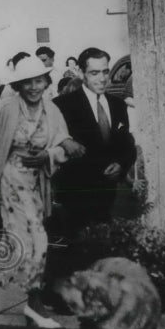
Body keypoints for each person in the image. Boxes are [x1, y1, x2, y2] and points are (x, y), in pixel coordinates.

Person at [0, 56, 81, 329]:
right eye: (28, 82)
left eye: (39, 81)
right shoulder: (5, 109)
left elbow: (60, 145)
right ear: (19, 85)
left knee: (19, 245)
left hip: (36, 183)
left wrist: (52, 153)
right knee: (34, 240)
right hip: (8, 179)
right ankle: (32, 304)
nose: (34, 87)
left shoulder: (52, 109)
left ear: (46, 82)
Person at [53, 47, 136, 235]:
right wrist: (64, 141)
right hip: (75, 197)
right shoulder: (62, 105)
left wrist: (121, 164)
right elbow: (47, 138)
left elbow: (127, 144)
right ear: (82, 73)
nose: (102, 78)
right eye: (94, 73)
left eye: (105, 71)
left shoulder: (118, 105)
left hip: (110, 198)